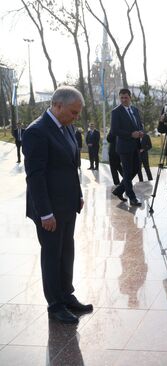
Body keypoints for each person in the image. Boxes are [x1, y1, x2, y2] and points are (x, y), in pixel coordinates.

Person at [22, 85, 93, 324]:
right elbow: (35, 176)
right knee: (52, 254)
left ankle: (66, 295)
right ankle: (55, 305)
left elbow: (72, 166)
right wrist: (45, 213)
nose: (76, 117)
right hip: (49, 209)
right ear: (57, 105)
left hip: (67, 204)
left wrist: (77, 194)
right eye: (73, 112)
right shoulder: (37, 131)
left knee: (66, 251)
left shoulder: (67, 127)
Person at [111, 88, 144, 206]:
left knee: (135, 169)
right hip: (124, 147)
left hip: (136, 145)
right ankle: (132, 197)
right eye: (122, 98)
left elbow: (139, 124)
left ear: (130, 98)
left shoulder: (134, 110)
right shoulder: (116, 112)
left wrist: (141, 131)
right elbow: (115, 130)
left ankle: (119, 190)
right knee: (127, 171)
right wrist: (131, 134)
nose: (124, 100)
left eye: (126, 97)